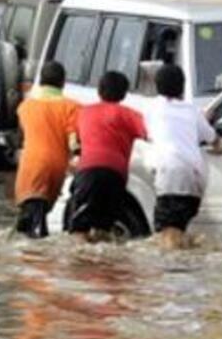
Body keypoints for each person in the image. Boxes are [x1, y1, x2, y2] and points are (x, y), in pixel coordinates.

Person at [146, 64, 222, 250]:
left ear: (157, 86)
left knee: (168, 236)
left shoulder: (151, 108)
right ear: (183, 86)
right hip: (195, 178)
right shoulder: (193, 111)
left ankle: (174, 268)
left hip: (170, 174)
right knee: (179, 231)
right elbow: (214, 140)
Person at [66, 71, 148, 238]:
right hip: (116, 175)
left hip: (88, 172)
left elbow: (74, 142)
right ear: (124, 94)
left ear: (99, 90)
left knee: (79, 230)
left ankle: (79, 253)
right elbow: (149, 134)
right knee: (104, 228)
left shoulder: (83, 113)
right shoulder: (130, 115)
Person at [15, 61, 81, 239]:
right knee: (39, 222)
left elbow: (21, 140)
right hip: (55, 168)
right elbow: (74, 143)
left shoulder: (25, 107)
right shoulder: (72, 107)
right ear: (63, 82)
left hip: (29, 168)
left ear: (41, 81)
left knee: (30, 225)